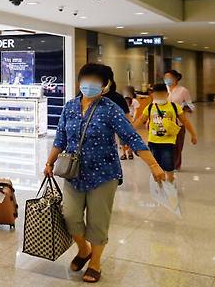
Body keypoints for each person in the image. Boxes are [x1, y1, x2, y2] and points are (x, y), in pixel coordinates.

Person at [44, 63, 165, 283]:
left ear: (105, 85)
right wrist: (49, 162)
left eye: (95, 81)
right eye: (85, 80)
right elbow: (60, 139)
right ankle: (83, 250)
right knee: (70, 216)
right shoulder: (70, 106)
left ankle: (96, 261)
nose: (88, 85)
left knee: (97, 221)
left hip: (104, 174)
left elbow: (131, 137)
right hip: (73, 173)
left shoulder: (109, 108)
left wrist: (154, 165)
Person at [133, 83, 197, 183]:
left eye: (162, 95)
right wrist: (129, 131)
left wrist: (193, 134)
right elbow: (141, 120)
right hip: (153, 141)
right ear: (153, 95)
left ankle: (170, 183)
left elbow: (185, 121)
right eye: (157, 95)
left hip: (168, 141)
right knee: (155, 164)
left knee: (168, 164)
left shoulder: (174, 107)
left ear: (167, 95)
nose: (159, 97)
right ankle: (158, 185)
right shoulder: (150, 108)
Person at [164, 70, 194, 170]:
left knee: (177, 145)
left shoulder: (183, 90)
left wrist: (181, 108)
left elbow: (191, 106)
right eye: (165, 77)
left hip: (179, 122)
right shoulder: (164, 89)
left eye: (169, 77)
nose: (167, 79)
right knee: (166, 145)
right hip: (164, 121)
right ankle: (166, 164)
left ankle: (176, 166)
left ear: (176, 78)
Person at [121, 86, 140, 160]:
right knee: (122, 137)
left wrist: (133, 119)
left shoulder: (134, 101)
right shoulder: (121, 100)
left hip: (131, 120)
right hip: (122, 120)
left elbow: (136, 111)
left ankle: (130, 152)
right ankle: (123, 153)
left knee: (131, 136)